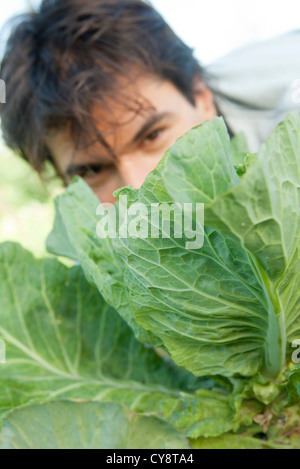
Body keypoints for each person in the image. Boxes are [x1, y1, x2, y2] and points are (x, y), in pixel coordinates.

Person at [1, 0, 299, 204]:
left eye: (152, 136)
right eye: (93, 171)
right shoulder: (96, 237)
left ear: (201, 97)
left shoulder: (289, 106)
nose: (138, 186)